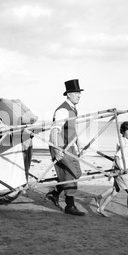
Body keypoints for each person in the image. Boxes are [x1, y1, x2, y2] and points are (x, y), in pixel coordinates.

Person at [46, 79, 85, 216]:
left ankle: (54, 193)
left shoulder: (73, 109)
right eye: (76, 93)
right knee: (71, 174)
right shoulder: (63, 109)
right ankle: (70, 206)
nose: (79, 95)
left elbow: (72, 128)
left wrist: (78, 142)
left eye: (79, 93)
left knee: (77, 173)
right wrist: (56, 149)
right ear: (68, 94)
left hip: (70, 145)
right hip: (60, 145)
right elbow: (55, 131)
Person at [96, 127, 128, 222]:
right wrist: (121, 168)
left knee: (115, 191)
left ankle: (101, 208)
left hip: (123, 172)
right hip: (122, 174)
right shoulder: (127, 147)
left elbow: (125, 159)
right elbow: (117, 157)